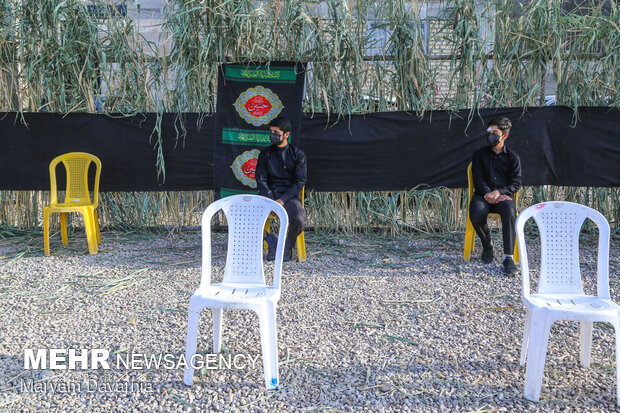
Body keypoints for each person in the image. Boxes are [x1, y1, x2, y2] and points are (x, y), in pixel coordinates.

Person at [469, 117, 522, 276]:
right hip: (482, 195)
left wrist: (499, 192)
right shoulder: (479, 155)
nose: (490, 135)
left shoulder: (513, 158)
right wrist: (488, 193)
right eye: (489, 132)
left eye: (495, 132)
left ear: (504, 136)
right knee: (476, 213)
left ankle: (508, 258)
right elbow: (477, 178)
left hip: (504, 197)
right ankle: (487, 245)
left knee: (509, 212)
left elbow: (516, 183)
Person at [255, 116, 307, 262]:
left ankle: (286, 245)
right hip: (268, 195)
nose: (273, 135)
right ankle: (271, 241)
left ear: (286, 134)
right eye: (271, 131)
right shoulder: (265, 154)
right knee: (247, 217)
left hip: (288, 196)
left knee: (299, 219)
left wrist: (282, 200)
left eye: (276, 132)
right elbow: (261, 179)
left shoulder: (297, 155)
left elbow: (300, 181)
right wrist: (271, 200)